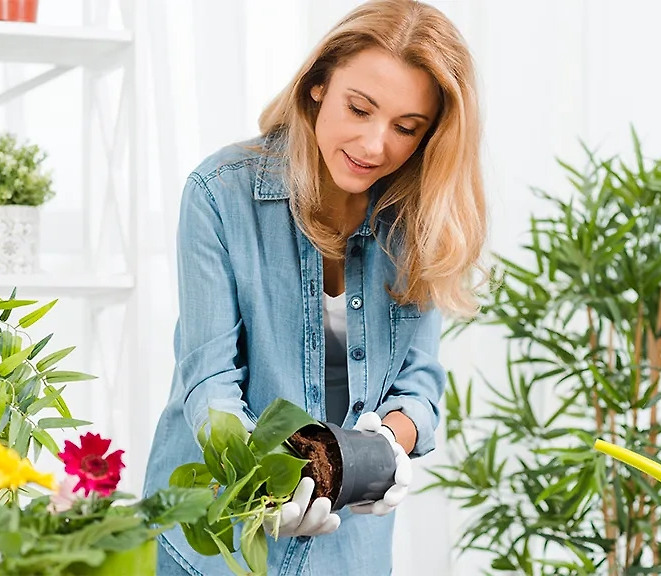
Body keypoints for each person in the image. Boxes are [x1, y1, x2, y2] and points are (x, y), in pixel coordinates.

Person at [143, 0, 486, 573]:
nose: (375, 145)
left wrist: (386, 446)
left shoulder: (419, 223)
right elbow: (210, 380)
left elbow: (419, 386)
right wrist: (265, 480)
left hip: (348, 548)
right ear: (318, 85)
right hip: (217, 540)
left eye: (406, 128)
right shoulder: (220, 193)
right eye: (360, 108)